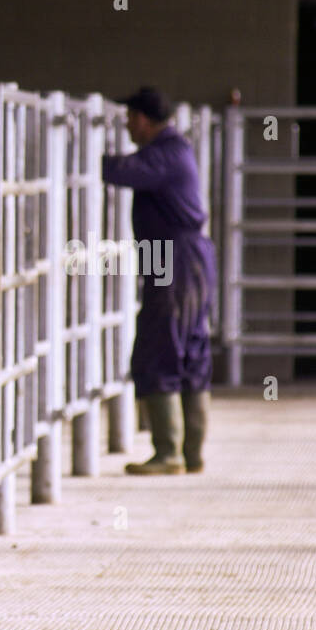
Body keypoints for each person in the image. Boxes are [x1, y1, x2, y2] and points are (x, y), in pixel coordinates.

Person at [102, 86, 216, 474]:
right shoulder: (173, 149)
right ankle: (190, 453)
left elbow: (122, 172)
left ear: (143, 119)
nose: (127, 126)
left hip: (174, 257)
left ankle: (169, 452)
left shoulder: (165, 153)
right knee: (189, 345)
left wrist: (85, 157)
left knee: (160, 342)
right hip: (183, 256)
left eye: (129, 118)